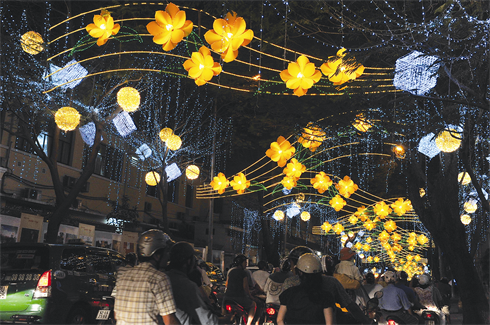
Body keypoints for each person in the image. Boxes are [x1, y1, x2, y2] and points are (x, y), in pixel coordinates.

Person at [283, 247, 372, 325]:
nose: (291, 268)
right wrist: (366, 322)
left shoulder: (289, 284)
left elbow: (282, 315)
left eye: (291, 264)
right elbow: (351, 307)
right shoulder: (331, 282)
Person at [113, 229, 180, 325]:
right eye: (166, 253)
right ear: (157, 255)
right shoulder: (159, 278)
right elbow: (169, 321)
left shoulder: (124, 276)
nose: (167, 257)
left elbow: (116, 314)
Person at [166, 241, 227, 325]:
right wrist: (227, 319)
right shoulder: (187, 285)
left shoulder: (163, 278)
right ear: (188, 262)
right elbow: (207, 320)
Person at [277, 253, 335, 325]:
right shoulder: (325, 296)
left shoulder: (289, 293)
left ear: (299, 272)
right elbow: (329, 323)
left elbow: (280, 320)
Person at [223, 254, 256, 325]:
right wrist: (250, 296)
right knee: (253, 305)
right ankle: (249, 323)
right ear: (240, 263)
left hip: (227, 298)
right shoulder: (244, 273)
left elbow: (227, 284)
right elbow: (245, 287)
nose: (246, 264)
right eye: (245, 262)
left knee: (224, 312)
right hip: (239, 298)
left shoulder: (231, 272)